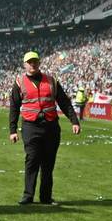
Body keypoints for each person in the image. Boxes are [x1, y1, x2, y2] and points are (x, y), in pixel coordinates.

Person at [9, 51, 81, 205]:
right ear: (24, 64)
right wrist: (13, 130)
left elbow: (64, 102)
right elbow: (14, 107)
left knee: (48, 164)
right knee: (32, 160)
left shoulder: (52, 81)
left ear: (39, 63)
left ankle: (45, 197)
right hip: (30, 126)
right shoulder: (19, 82)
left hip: (51, 127)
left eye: (35, 61)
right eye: (29, 62)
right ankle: (28, 195)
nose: (32, 64)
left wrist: (74, 121)